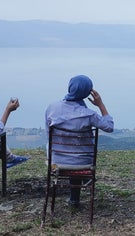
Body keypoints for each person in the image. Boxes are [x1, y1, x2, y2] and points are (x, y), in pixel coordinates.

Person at [45, 75, 114, 207]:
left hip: (58, 161)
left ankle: (73, 198)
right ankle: (75, 198)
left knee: (55, 147)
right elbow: (109, 127)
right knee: (77, 153)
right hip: (84, 162)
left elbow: (49, 134)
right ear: (88, 92)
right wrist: (100, 104)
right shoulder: (89, 114)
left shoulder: (52, 108)